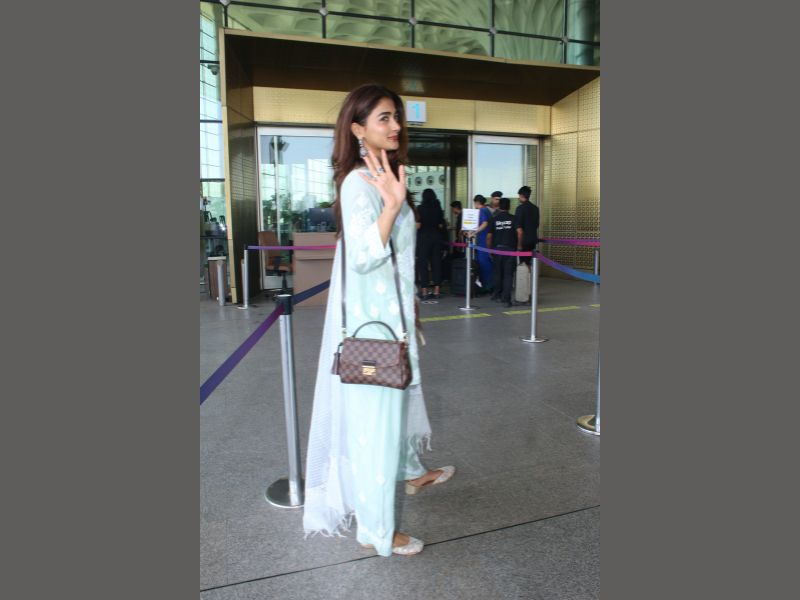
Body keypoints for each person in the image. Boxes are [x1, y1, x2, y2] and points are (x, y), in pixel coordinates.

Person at [303, 84, 454, 558]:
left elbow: (398, 259)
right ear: (357, 129)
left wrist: (411, 308)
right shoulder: (358, 183)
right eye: (384, 118)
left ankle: (409, 473)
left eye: (397, 117)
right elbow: (364, 256)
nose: (396, 126)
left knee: (393, 418)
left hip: (391, 323)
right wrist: (391, 206)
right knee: (374, 436)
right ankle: (375, 530)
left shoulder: (382, 175)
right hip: (374, 335)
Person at [415, 188, 446, 300]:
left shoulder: (420, 208)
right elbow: (441, 225)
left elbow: (418, 225)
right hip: (436, 238)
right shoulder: (438, 209)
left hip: (424, 239)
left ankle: (424, 291)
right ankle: (437, 291)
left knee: (423, 264)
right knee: (436, 263)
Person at [487, 197, 516, 307]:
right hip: (510, 250)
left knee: (498, 273)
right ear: (509, 207)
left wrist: (489, 249)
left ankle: (496, 294)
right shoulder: (514, 218)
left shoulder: (494, 219)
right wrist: (518, 247)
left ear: (499, 207)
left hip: (497, 250)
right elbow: (520, 232)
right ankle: (506, 299)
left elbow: (489, 237)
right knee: (508, 275)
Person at [469, 194, 494, 294]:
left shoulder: (482, 211)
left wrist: (474, 232)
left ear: (477, 202)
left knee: (484, 264)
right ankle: (490, 285)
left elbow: (484, 223)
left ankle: (486, 286)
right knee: (488, 263)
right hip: (488, 241)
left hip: (483, 242)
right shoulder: (488, 210)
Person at [513, 185, 539, 266]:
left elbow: (519, 230)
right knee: (530, 264)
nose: (518, 198)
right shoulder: (535, 208)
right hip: (533, 241)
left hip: (523, 242)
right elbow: (537, 225)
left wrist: (519, 245)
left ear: (521, 195)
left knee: (523, 265)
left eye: (519, 196)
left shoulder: (520, 209)